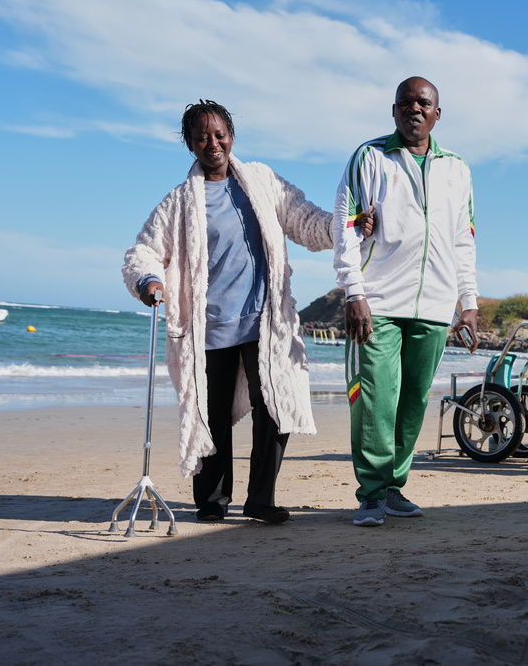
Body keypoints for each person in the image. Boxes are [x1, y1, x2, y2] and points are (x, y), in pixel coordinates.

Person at [122, 100, 372, 524]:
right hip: (210, 327)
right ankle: (213, 501)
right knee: (212, 416)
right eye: (202, 136)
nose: (212, 143)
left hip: (265, 322)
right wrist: (148, 280)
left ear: (232, 136)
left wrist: (348, 226)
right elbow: (143, 250)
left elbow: (304, 219)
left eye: (219, 134)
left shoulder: (261, 180)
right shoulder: (181, 202)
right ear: (189, 143)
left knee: (277, 407)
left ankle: (261, 499)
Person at [333, 76, 478, 527]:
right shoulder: (369, 156)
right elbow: (344, 224)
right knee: (375, 399)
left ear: (437, 113)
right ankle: (372, 493)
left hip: (434, 307)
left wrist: (467, 301)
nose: (414, 109)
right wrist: (353, 291)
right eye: (405, 103)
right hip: (376, 302)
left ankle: (394, 486)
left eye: (423, 103)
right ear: (393, 111)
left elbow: (463, 240)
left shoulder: (458, 168)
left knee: (412, 402)